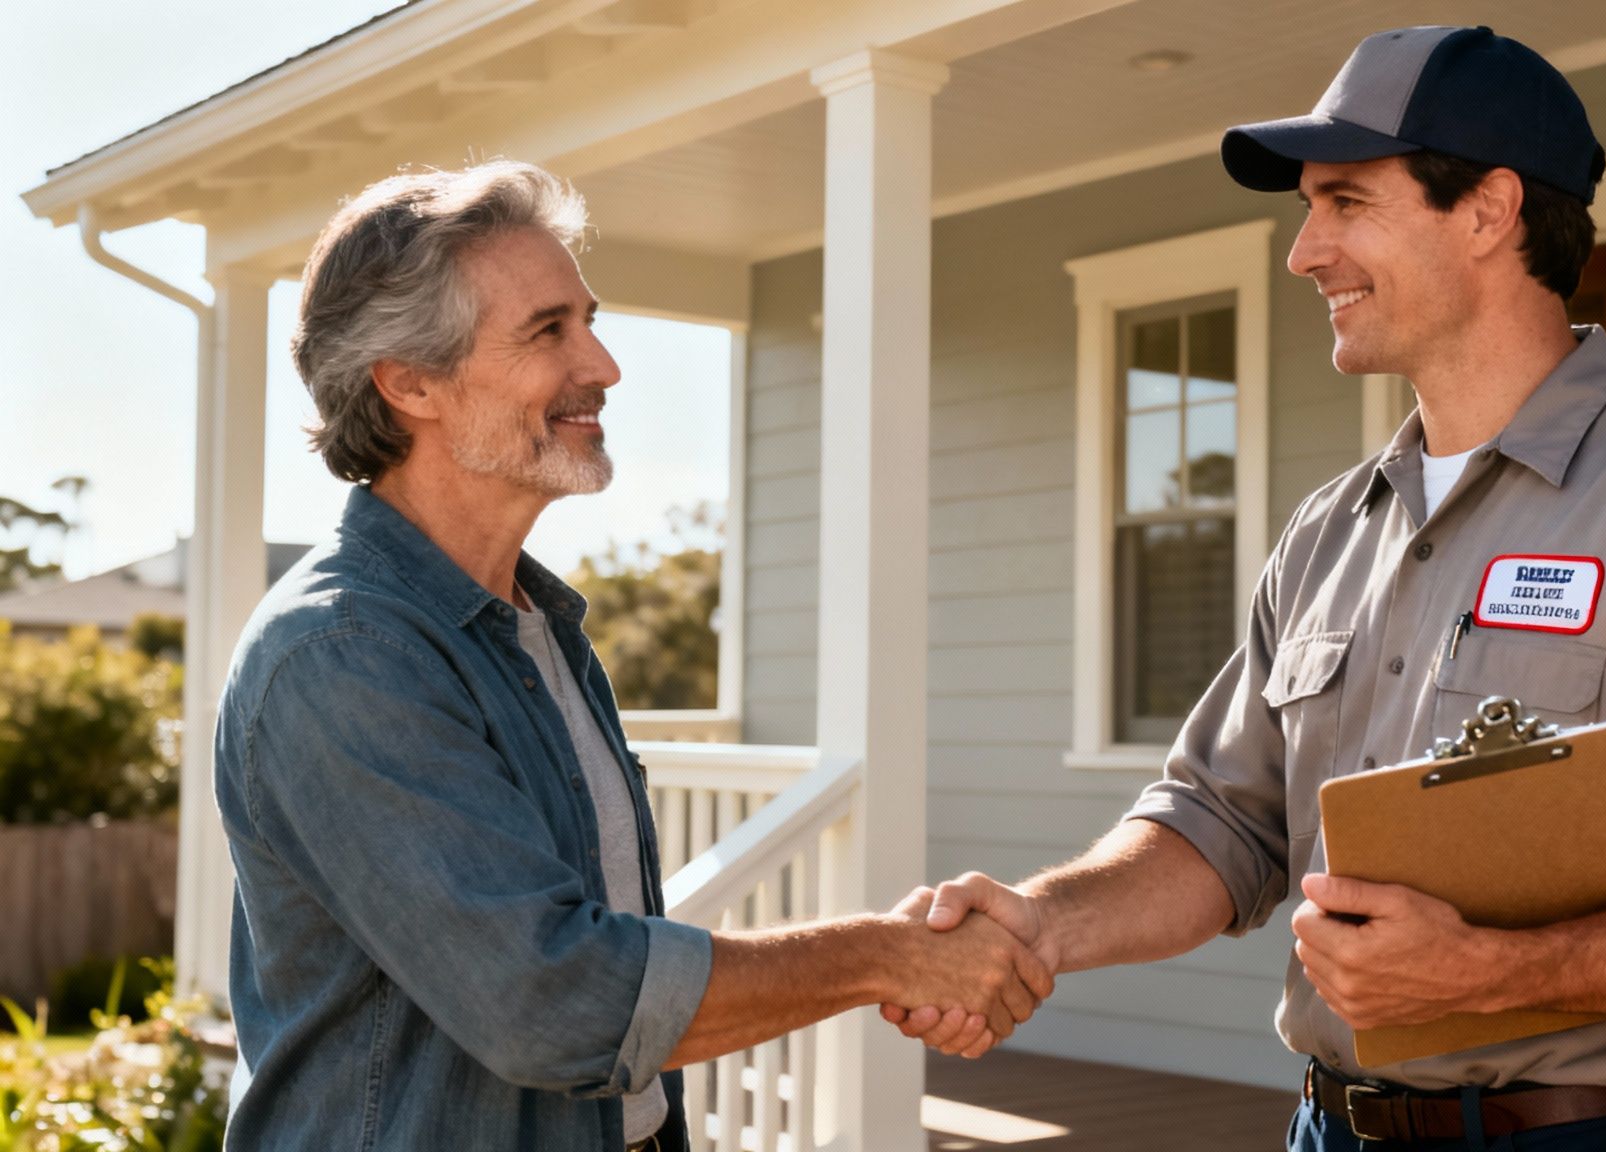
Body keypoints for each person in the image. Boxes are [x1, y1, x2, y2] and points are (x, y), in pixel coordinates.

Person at [884, 25, 1606, 1151]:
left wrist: (1491, 972)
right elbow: (1223, 821)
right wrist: (1039, 924)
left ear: (1486, 210)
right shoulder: (1329, 530)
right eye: (1306, 209)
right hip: (1330, 1128)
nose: (1303, 252)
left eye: (1346, 201)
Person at [213, 160, 1051, 1152]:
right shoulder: (342, 656)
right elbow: (551, 998)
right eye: (547, 330)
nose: (603, 365)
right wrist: (884, 957)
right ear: (409, 381)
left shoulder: (536, 626)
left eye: (589, 319)